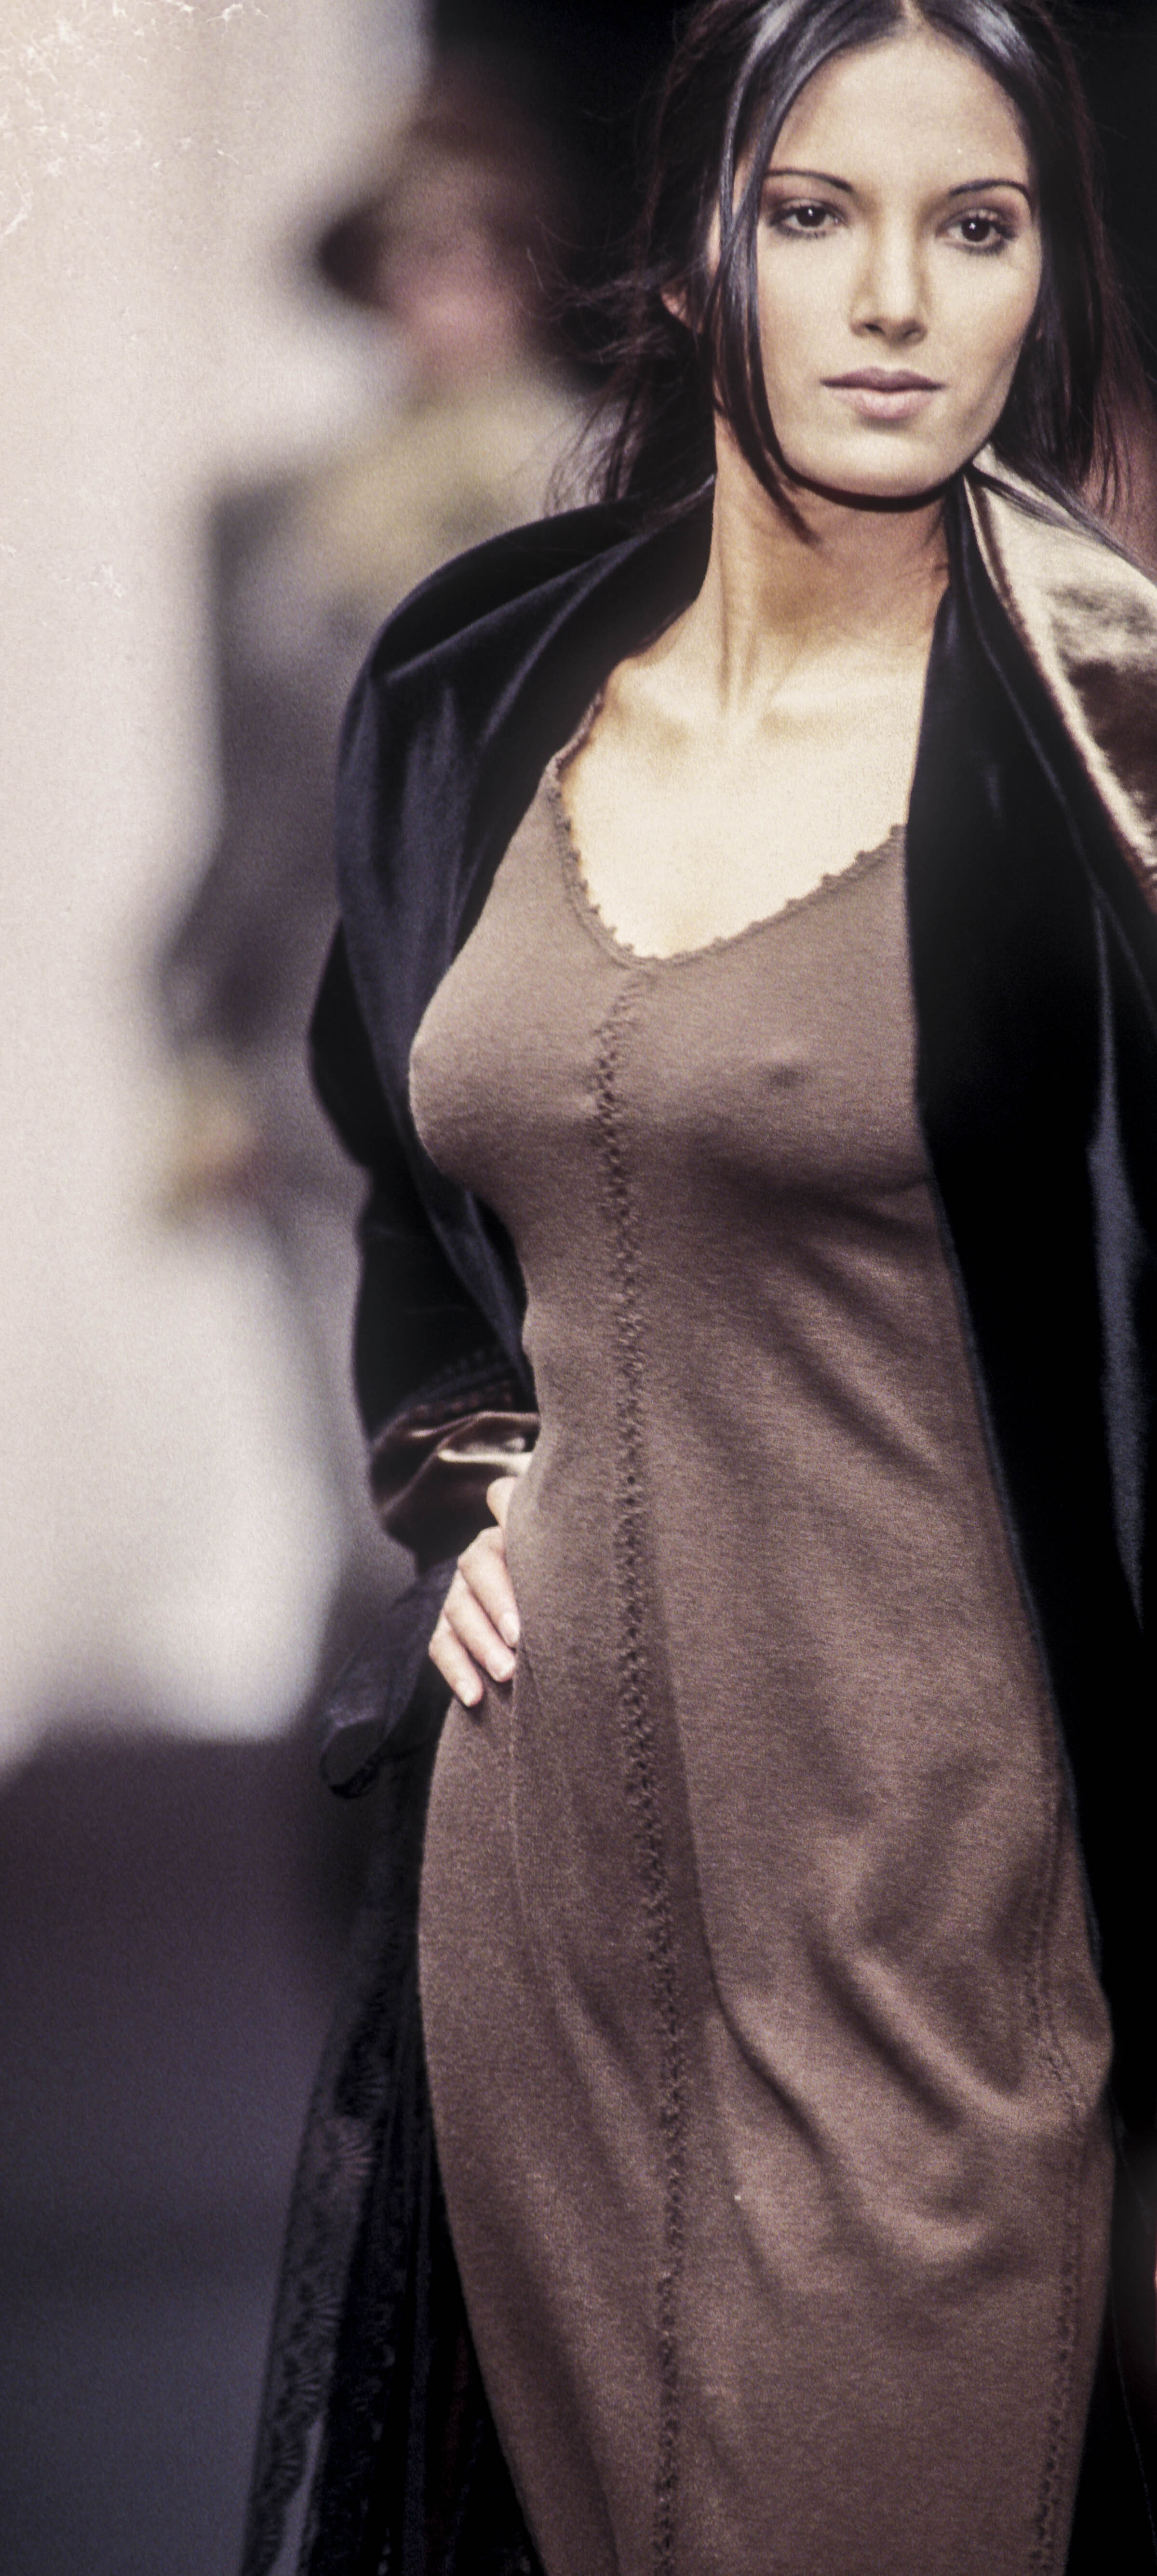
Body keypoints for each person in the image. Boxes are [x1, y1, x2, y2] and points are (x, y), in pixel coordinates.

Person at [238, 4, 1157, 2576]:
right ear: (698, 259)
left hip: (948, 1947)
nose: (897, 297)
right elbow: (408, 1175)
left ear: (1047, 279)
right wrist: (464, 1460)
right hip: (531, 1936)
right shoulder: (470, 690)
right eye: (815, 215)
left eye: (974, 225)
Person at [160, 53, 602, 1658]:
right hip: (324, 1050)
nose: (446, 288)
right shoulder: (269, 524)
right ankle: (412, 1804)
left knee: (587, 1486)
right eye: (411, 255)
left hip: (564, 1036)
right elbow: (245, 808)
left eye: (479, 248)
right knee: (385, 1500)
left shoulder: (619, 486)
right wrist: (198, 1047)